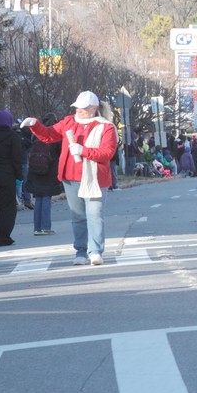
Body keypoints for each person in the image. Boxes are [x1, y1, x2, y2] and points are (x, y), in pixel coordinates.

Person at [20, 91, 118, 266]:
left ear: (94, 108)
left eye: (83, 107)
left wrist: (83, 151)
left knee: (95, 215)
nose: (78, 110)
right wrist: (35, 125)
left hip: (95, 178)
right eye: (77, 107)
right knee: (78, 217)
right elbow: (49, 135)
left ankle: (95, 251)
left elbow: (107, 153)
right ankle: (80, 252)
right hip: (71, 177)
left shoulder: (106, 127)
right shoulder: (68, 122)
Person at [0, 110, 23, 247]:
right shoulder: (13, 137)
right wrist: (19, 176)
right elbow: (16, 158)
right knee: (7, 207)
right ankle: (3, 236)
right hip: (7, 175)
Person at [27, 113, 63, 236]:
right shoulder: (55, 136)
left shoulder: (35, 135)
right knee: (46, 198)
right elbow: (60, 153)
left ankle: (37, 227)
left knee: (38, 199)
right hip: (50, 170)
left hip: (36, 170)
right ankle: (45, 227)